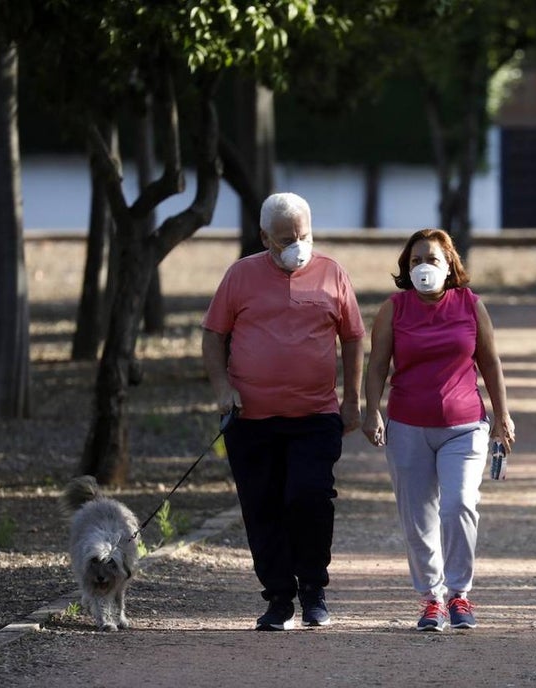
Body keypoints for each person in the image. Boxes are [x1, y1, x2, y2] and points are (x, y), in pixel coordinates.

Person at [201, 192, 365, 631]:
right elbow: (214, 335)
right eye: (286, 239)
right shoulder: (240, 275)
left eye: (304, 235)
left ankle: (313, 590)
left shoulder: (333, 273)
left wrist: (353, 400)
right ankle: (278, 597)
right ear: (263, 238)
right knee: (262, 506)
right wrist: (222, 387)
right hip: (251, 418)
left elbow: (352, 337)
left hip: (315, 416)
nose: (297, 245)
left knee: (309, 498)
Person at [362, 228, 515, 632]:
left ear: (449, 266)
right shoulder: (394, 309)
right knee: (418, 516)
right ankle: (432, 598)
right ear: (405, 269)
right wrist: (371, 411)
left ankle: (460, 593)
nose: (423, 267)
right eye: (415, 261)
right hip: (408, 426)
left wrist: (502, 416)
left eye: (432, 259)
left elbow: (490, 363)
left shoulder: (470, 305)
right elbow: (377, 365)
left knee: (459, 504)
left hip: (464, 427)